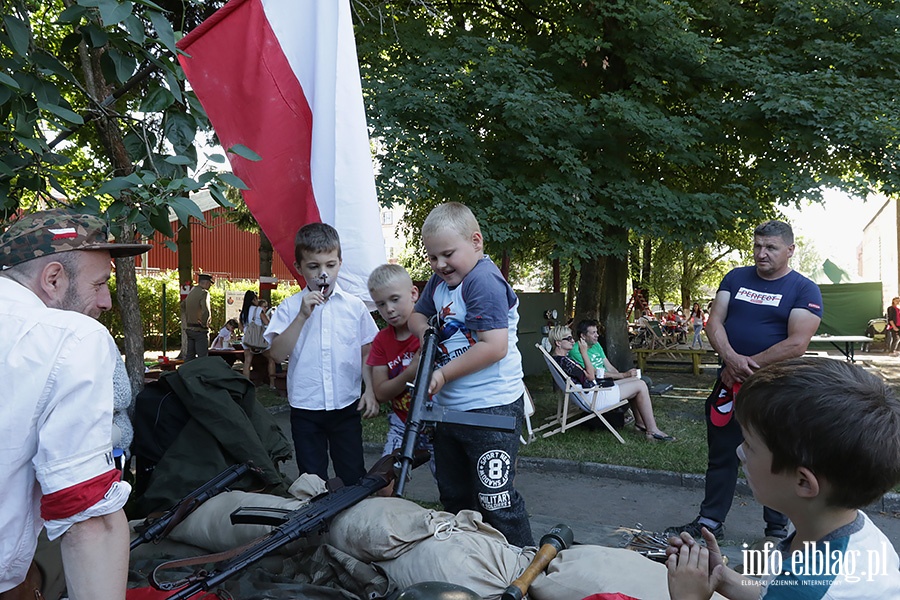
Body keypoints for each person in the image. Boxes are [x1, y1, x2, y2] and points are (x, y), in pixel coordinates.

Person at [0, 209, 150, 598]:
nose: (106, 302)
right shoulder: (70, 338)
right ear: (53, 278)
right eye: (100, 283)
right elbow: (88, 518)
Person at [665, 357, 900, 600]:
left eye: (749, 444)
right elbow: (774, 593)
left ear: (803, 482)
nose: (739, 451)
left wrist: (689, 596)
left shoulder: (810, 588)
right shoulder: (851, 528)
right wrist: (721, 575)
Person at [667, 220, 823, 543]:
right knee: (722, 454)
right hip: (729, 384)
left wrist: (742, 365)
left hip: (776, 391)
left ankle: (778, 530)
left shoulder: (803, 289)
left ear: (790, 250)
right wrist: (731, 359)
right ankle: (710, 522)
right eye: (757, 246)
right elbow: (714, 322)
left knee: (779, 458)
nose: (761, 253)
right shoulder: (736, 277)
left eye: (771, 248)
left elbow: (797, 344)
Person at [408, 202, 534, 548]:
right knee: (455, 496)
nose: (439, 264)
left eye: (447, 254)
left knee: (497, 500)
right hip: (450, 412)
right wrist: (428, 335)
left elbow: (494, 346)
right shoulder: (440, 282)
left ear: (476, 242)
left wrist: (443, 374)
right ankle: (470, 562)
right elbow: (416, 318)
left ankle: (526, 566)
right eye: (432, 257)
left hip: (490, 409)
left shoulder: (483, 281)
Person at [266, 222, 379, 486]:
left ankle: (349, 522)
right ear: (299, 267)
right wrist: (302, 317)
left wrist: (370, 390)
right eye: (314, 267)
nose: (323, 274)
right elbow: (276, 354)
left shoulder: (354, 307)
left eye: (330, 265)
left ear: (340, 262)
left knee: (352, 474)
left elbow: (367, 352)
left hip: (345, 405)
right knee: (311, 479)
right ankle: (318, 524)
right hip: (307, 407)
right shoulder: (290, 307)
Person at [552, 325, 674, 441]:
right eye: (568, 339)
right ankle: (652, 430)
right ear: (558, 343)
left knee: (636, 381)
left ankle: (640, 424)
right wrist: (584, 353)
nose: (573, 341)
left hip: (591, 391)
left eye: (572, 337)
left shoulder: (562, 359)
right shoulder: (566, 362)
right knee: (641, 385)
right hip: (593, 397)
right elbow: (589, 376)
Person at [365, 264, 435, 468]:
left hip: (438, 424)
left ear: (414, 293)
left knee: (451, 487)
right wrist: (410, 373)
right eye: (381, 304)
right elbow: (381, 392)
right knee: (384, 477)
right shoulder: (381, 341)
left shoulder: (432, 330)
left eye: (395, 299)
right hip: (402, 422)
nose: (389, 309)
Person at [240, 290, 277, 389]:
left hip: (248, 339)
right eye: (256, 298)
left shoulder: (243, 312)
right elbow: (267, 323)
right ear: (253, 299)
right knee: (271, 359)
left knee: (247, 362)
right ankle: (272, 384)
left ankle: (246, 385)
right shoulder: (258, 310)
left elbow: (241, 326)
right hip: (259, 339)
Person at [184, 272, 214, 361]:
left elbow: (183, 305)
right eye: (209, 284)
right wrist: (204, 324)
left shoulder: (191, 292)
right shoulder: (204, 293)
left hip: (189, 327)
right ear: (206, 283)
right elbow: (206, 310)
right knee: (203, 357)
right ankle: (202, 374)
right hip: (199, 329)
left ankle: (186, 373)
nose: (210, 286)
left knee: (190, 356)